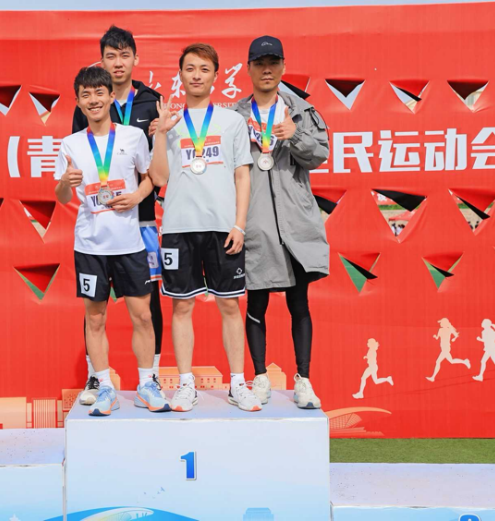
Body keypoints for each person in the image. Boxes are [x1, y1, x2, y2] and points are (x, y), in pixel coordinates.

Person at [151, 43, 261, 412]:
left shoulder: (231, 122)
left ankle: (237, 384)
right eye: (190, 68)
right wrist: (160, 134)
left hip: (222, 227)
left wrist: (239, 225)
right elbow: (159, 178)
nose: (196, 75)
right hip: (179, 226)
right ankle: (186, 385)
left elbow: (242, 175)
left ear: (216, 75)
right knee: (181, 307)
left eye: (204, 69)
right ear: (180, 75)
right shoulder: (170, 123)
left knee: (230, 305)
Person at [55, 66, 169, 416]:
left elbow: (153, 177)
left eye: (99, 93)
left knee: (143, 316)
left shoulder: (132, 137)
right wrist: (65, 183)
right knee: (95, 318)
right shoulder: (71, 144)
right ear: (79, 102)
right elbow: (62, 196)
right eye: (86, 95)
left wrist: (137, 197)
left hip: (130, 243)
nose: (93, 100)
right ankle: (104, 385)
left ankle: (147, 383)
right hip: (90, 245)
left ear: (109, 96)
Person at [232, 36, 330, 409]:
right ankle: (260, 378)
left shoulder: (301, 111)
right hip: (255, 224)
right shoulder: (234, 117)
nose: (267, 69)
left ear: (284, 67)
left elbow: (319, 154)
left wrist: (296, 136)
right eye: (259, 63)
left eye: (273, 62)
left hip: (295, 224)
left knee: (299, 303)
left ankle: (303, 380)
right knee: (256, 303)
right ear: (249, 68)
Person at [426, 318, 469, 382]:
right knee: (451, 361)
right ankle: (465, 361)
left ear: (444, 323)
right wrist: (435, 337)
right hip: (443, 348)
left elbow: (456, 335)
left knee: (438, 361)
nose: (440, 324)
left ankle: (433, 377)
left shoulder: (449, 330)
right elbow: (437, 337)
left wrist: (454, 338)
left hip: (446, 348)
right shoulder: (440, 330)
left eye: (441, 322)